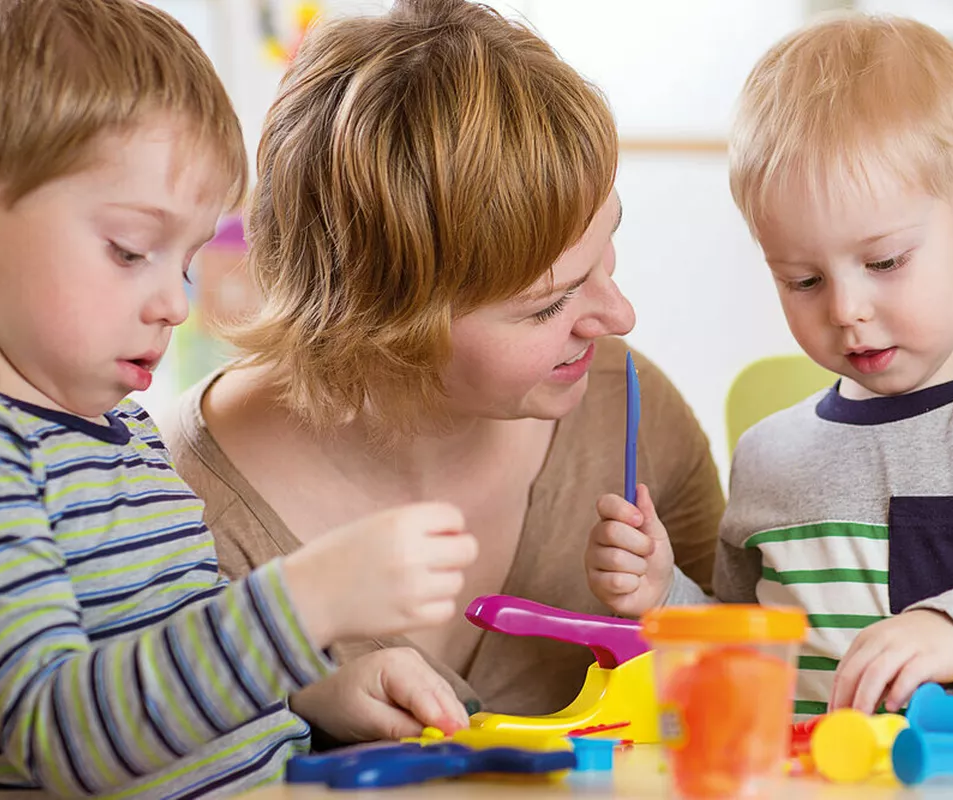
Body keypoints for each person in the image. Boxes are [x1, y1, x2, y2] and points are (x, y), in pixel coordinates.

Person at [0, 1, 476, 796]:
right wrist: (302, 601)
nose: (175, 305)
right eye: (131, 250)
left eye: (182, 262)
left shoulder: (120, 428)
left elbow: (162, 660)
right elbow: (63, 733)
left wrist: (312, 689)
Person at [164, 0, 725, 735]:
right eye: (546, 305)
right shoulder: (179, 504)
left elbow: (751, 685)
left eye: (605, 245)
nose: (618, 317)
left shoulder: (629, 409)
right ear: (381, 325)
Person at [585, 13, 953, 717]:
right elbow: (745, 647)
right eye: (802, 280)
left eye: (885, 261)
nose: (845, 309)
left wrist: (952, 628)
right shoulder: (766, 457)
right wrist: (663, 593)